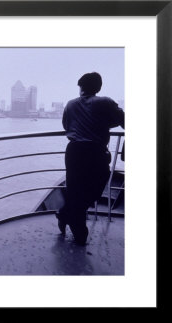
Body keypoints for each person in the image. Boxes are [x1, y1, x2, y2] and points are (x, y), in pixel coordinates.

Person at [57, 72, 124, 245]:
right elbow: (125, 120)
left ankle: (65, 214)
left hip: (74, 152)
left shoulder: (70, 105)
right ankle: (79, 233)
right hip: (95, 152)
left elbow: (66, 126)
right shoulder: (105, 102)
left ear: (80, 87)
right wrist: (104, 124)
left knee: (74, 190)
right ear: (98, 87)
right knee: (96, 187)